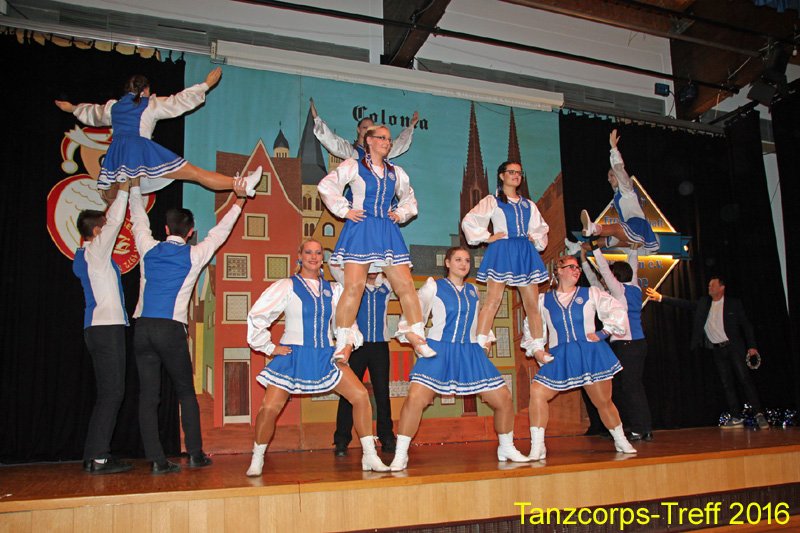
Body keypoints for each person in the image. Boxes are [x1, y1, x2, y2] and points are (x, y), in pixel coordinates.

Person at [128, 176, 249, 474]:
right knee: (185, 390)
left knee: (148, 396)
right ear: (191, 232)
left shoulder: (147, 247)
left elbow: (139, 220)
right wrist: (240, 200)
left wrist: (134, 187)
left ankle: (157, 460)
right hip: (170, 330)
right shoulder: (194, 254)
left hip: (142, 329)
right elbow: (220, 232)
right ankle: (195, 454)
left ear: (166, 229)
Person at [245, 239, 390, 476]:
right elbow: (257, 315)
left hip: (324, 355)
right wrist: (269, 347)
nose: (313, 256)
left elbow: (347, 321)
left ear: (323, 258)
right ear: (300, 256)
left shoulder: (334, 290)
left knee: (361, 396)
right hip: (293, 354)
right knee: (269, 408)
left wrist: (347, 345)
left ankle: (369, 455)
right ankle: (257, 457)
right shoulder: (287, 285)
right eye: (308, 252)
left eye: (318, 253)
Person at [389, 247, 530, 471]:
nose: (463, 264)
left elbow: (478, 322)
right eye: (458, 259)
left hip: (469, 351)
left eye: (466, 260)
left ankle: (506, 447)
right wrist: (415, 338)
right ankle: (400, 455)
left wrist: (485, 342)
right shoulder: (433, 286)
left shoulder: (473, 290)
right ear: (447, 263)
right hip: (439, 349)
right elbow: (414, 313)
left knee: (503, 398)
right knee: (415, 399)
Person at [317, 124, 434, 358]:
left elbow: (409, 199)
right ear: (369, 140)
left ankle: (417, 336)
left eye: (389, 139)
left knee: (406, 285)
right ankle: (343, 342)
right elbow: (326, 185)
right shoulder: (353, 165)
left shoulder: (395, 172)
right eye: (382, 138)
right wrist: (345, 210)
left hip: (387, 231)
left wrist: (400, 214)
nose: (387, 142)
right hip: (361, 228)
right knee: (354, 287)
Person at [55, 67, 261, 200]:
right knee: (195, 173)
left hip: (118, 155)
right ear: (145, 90)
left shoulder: (114, 107)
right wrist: (206, 85)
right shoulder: (150, 104)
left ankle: (103, 230)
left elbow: (94, 113)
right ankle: (239, 183)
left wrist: (72, 108)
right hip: (142, 153)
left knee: (114, 196)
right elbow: (178, 101)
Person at [522, 255, 637, 460]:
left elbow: (618, 309)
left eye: (578, 268)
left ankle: (620, 439)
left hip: (590, 353)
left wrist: (604, 332)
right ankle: (537, 446)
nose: (576, 271)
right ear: (559, 270)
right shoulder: (543, 300)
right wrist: (537, 350)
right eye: (571, 267)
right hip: (560, 355)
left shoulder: (590, 293)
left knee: (603, 402)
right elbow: (532, 327)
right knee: (537, 392)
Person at [646, 278, 769, 430]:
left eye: (712, 285)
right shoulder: (704, 303)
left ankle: (758, 414)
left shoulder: (733, 303)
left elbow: (746, 325)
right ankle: (736, 417)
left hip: (734, 348)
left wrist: (752, 346)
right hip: (717, 350)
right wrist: (661, 297)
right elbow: (685, 304)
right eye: (709, 285)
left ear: (722, 287)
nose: (709, 287)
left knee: (745, 380)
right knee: (727, 384)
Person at [73, 180, 134, 475]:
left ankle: (93, 455)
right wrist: (124, 188)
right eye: (104, 227)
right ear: (97, 232)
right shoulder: (95, 253)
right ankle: (99, 457)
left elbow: (112, 222)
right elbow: (116, 219)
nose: (109, 230)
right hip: (106, 329)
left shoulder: (89, 256)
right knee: (112, 394)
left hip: (99, 329)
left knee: (109, 393)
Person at [461, 161, 549, 352]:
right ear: (502, 176)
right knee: (493, 300)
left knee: (532, 304)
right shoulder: (493, 201)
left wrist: (535, 238)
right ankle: (480, 344)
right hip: (502, 250)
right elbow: (470, 220)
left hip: (524, 252)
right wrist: (487, 237)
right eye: (512, 172)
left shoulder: (528, 205)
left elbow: (541, 228)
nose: (516, 175)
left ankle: (538, 347)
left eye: (519, 173)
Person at [580, 242, 653, 441]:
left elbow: (603, 269)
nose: (606, 278)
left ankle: (642, 428)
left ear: (616, 276)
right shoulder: (632, 287)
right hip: (630, 345)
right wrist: (633, 250)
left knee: (631, 387)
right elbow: (597, 279)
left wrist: (595, 247)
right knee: (627, 387)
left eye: (611, 275)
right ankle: (636, 426)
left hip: (629, 345)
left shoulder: (620, 291)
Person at [329, 265, 396, 456]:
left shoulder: (387, 285)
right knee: (349, 393)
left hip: (380, 346)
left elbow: (399, 270)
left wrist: (383, 260)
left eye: (376, 264)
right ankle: (341, 440)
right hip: (356, 346)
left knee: (382, 393)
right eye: (369, 264)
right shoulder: (353, 283)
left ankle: (387, 437)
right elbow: (333, 266)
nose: (373, 269)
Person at [579, 129, 658, 254]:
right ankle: (579, 246)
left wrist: (614, 149)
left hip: (637, 227)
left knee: (614, 229)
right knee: (601, 242)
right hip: (629, 230)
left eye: (611, 176)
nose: (609, 179)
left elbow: (619, 168)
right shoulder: (618, 195)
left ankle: (592, 227)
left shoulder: (627, 188)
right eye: (608, 177)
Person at [310, 98, 418, 160]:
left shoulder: (381, 150)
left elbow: (400, 144)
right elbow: (334, 143)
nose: (367, 130)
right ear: (358, 130)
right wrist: (317, 119)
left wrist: (411, 126)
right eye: (365, 127)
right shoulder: (352, 152)